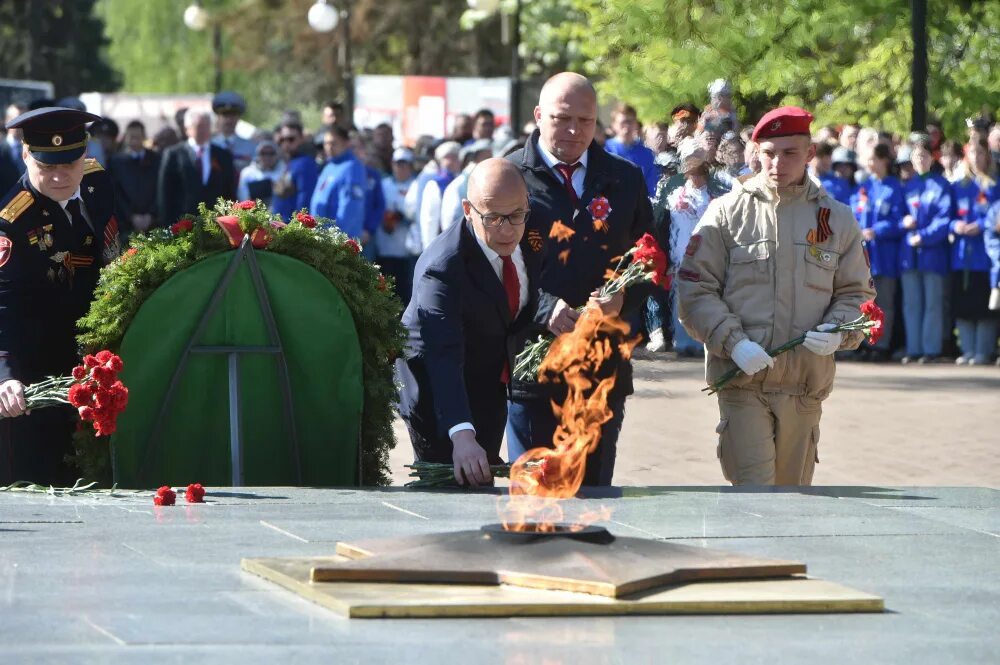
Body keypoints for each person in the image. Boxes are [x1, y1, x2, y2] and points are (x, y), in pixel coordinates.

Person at [677, 106, 874, 486]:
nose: (777, 163)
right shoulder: (726, 213)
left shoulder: (837, 220)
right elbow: (695, 288)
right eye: (768, 152)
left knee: (793, 499)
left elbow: (857, 294)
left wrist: (839, 331)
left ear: (810, 154)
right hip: (742, 381)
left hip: (803, 388)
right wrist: (733, 343)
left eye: (789, 153)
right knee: (757, 493)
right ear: (755, 152)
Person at [505, 72, 654, 487]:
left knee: (592, 496)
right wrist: (542, 305)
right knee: (535, 496)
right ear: (538, 115)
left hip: (601, 366)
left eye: (585, 121)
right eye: (561, 118)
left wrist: (622, 297)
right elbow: (489, 266)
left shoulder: (624, 179)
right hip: (533, 364)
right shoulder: (509, 174)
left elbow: (650, 259)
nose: (574, 131)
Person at [397, 159, 539, 486]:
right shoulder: (442, 268)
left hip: (489, 371)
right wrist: (461, 435)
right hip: (435, 386)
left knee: (481, 475)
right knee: (451, 482)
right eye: (492, 218)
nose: (507, 229)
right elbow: (442, 354)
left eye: (516, 215)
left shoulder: (532, 227)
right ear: (467, 209)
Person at [0, 107, 122, 485]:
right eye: (46, 166)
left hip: (102, 358)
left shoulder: (97, 182)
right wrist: (5, 376)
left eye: (69, 164)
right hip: (41, 373)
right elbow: (4, 309)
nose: (58, 176)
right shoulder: (12, 224)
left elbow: (114, 253)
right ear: (25, 155)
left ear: (84, 155)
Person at [659, 138, 727, 356]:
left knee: (708, 297)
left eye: (697, 160)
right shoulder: (672, 188)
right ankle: (683, 341)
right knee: (682, 298)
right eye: (689, 160)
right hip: (680, 253)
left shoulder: (718, 189)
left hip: (710, 255)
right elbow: (660, 221)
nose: (693, 167)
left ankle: (705, 342)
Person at [850, 143, 906, 361]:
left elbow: (899, 221)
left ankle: (881, 344)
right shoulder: (865, 187)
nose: (869, 163)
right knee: (866, 302)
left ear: (884, 160)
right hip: (864, 257)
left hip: (886, 256)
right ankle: (864, 342)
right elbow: (853, 213)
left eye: (873, 159)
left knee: (885, 303)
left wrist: (878, 230)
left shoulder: (894, 188)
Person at [899, 139, 953, 364]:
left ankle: (930, 349)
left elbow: (945, 218)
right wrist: (904, 222)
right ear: (911, 160)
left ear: (932, 158)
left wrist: (926, 235)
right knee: (911, 303)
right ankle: (914, 348)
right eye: (916, 156)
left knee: (932, 302)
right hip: (909, 255)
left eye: (924, 155)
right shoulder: (907, 186)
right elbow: (897, 216)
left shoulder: (941, 185)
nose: (920, 160)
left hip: (932, 254)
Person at [949, 138, 1000, 365]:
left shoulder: (994, 185)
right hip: (961, 256)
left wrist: (982, 224)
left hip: (985, 257)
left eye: (981, 153)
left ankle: (983, 350)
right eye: (972, 153)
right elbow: (948, 217)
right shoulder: (960, 185)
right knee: (964, 305)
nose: (976, 158)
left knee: (984, 307)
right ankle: (967, 349)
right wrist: (955, 226)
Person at [157, 109, 235, 226]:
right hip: (183, 224)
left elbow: (229, 190)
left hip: (216, 224)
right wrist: (168, 224)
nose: (203, 130)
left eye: (206, 126)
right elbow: (164, 193)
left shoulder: (223, 155)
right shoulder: (173, 154)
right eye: (199, 126)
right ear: (187, 129)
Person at [310, 125, 366, 237]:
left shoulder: (352, 167)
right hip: (320, 235)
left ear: (346, 143)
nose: (329, 147)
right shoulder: (329, 166)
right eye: (326, 143)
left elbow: (350, 208)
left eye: (333, 143)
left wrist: (337, 237)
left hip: (337, 241)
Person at [378, 148, 418, 305]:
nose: (400, 168)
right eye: (397, 164)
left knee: (405, 290)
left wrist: (401, 216)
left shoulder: (416, 185)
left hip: (406, 249)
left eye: (404, 164)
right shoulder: (383, 184)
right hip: (384, 247)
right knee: (385, 288)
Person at [109, 120, 161, 238]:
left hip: (154, 222)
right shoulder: (116, 162)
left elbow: (161, 188)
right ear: (126, 138)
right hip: (126, 224)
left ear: (144, 137)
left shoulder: (156, 159)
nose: (134, 140)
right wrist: (131, 216)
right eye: (131, 137)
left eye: (137, 137)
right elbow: (116, 192)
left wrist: (151, 214)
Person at [604, 103, 659, 196]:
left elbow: (651, 187)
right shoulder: (605, 150)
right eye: (623, 122)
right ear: (614, 125)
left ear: (636, 124)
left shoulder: (647, 154)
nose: (627, 127)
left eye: (630, 122)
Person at [417, 141, 462, 250]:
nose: (451, 161)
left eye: (455, 157)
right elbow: (429, 219)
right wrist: (429, 247)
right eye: (447, 157)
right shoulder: (435, 184)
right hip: (442, 241)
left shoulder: (463, 181)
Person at [271, 121, 318, 220]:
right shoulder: (290, 162)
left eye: (291, 139)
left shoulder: (305, 163)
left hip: (292, 228)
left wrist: (298, 227)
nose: (286, 143)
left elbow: (305, 199)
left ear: (301, 139)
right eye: (282, 139)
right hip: (281, 224)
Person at [211, 91, 257, 177]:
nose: (229, 120)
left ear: (238, 117)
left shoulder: (250, 147)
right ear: (218, 116)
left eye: (233, 115)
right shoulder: (209, 146)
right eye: (225, 115)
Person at [236, 140, 284, 209]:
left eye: (271, 153)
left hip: (278, 212)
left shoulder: (284, 170)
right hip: (255, 212)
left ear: (276, 154)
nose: (267, 156)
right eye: (263, 153)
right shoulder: (247, 172)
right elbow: (242, 195)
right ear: (257, 154)